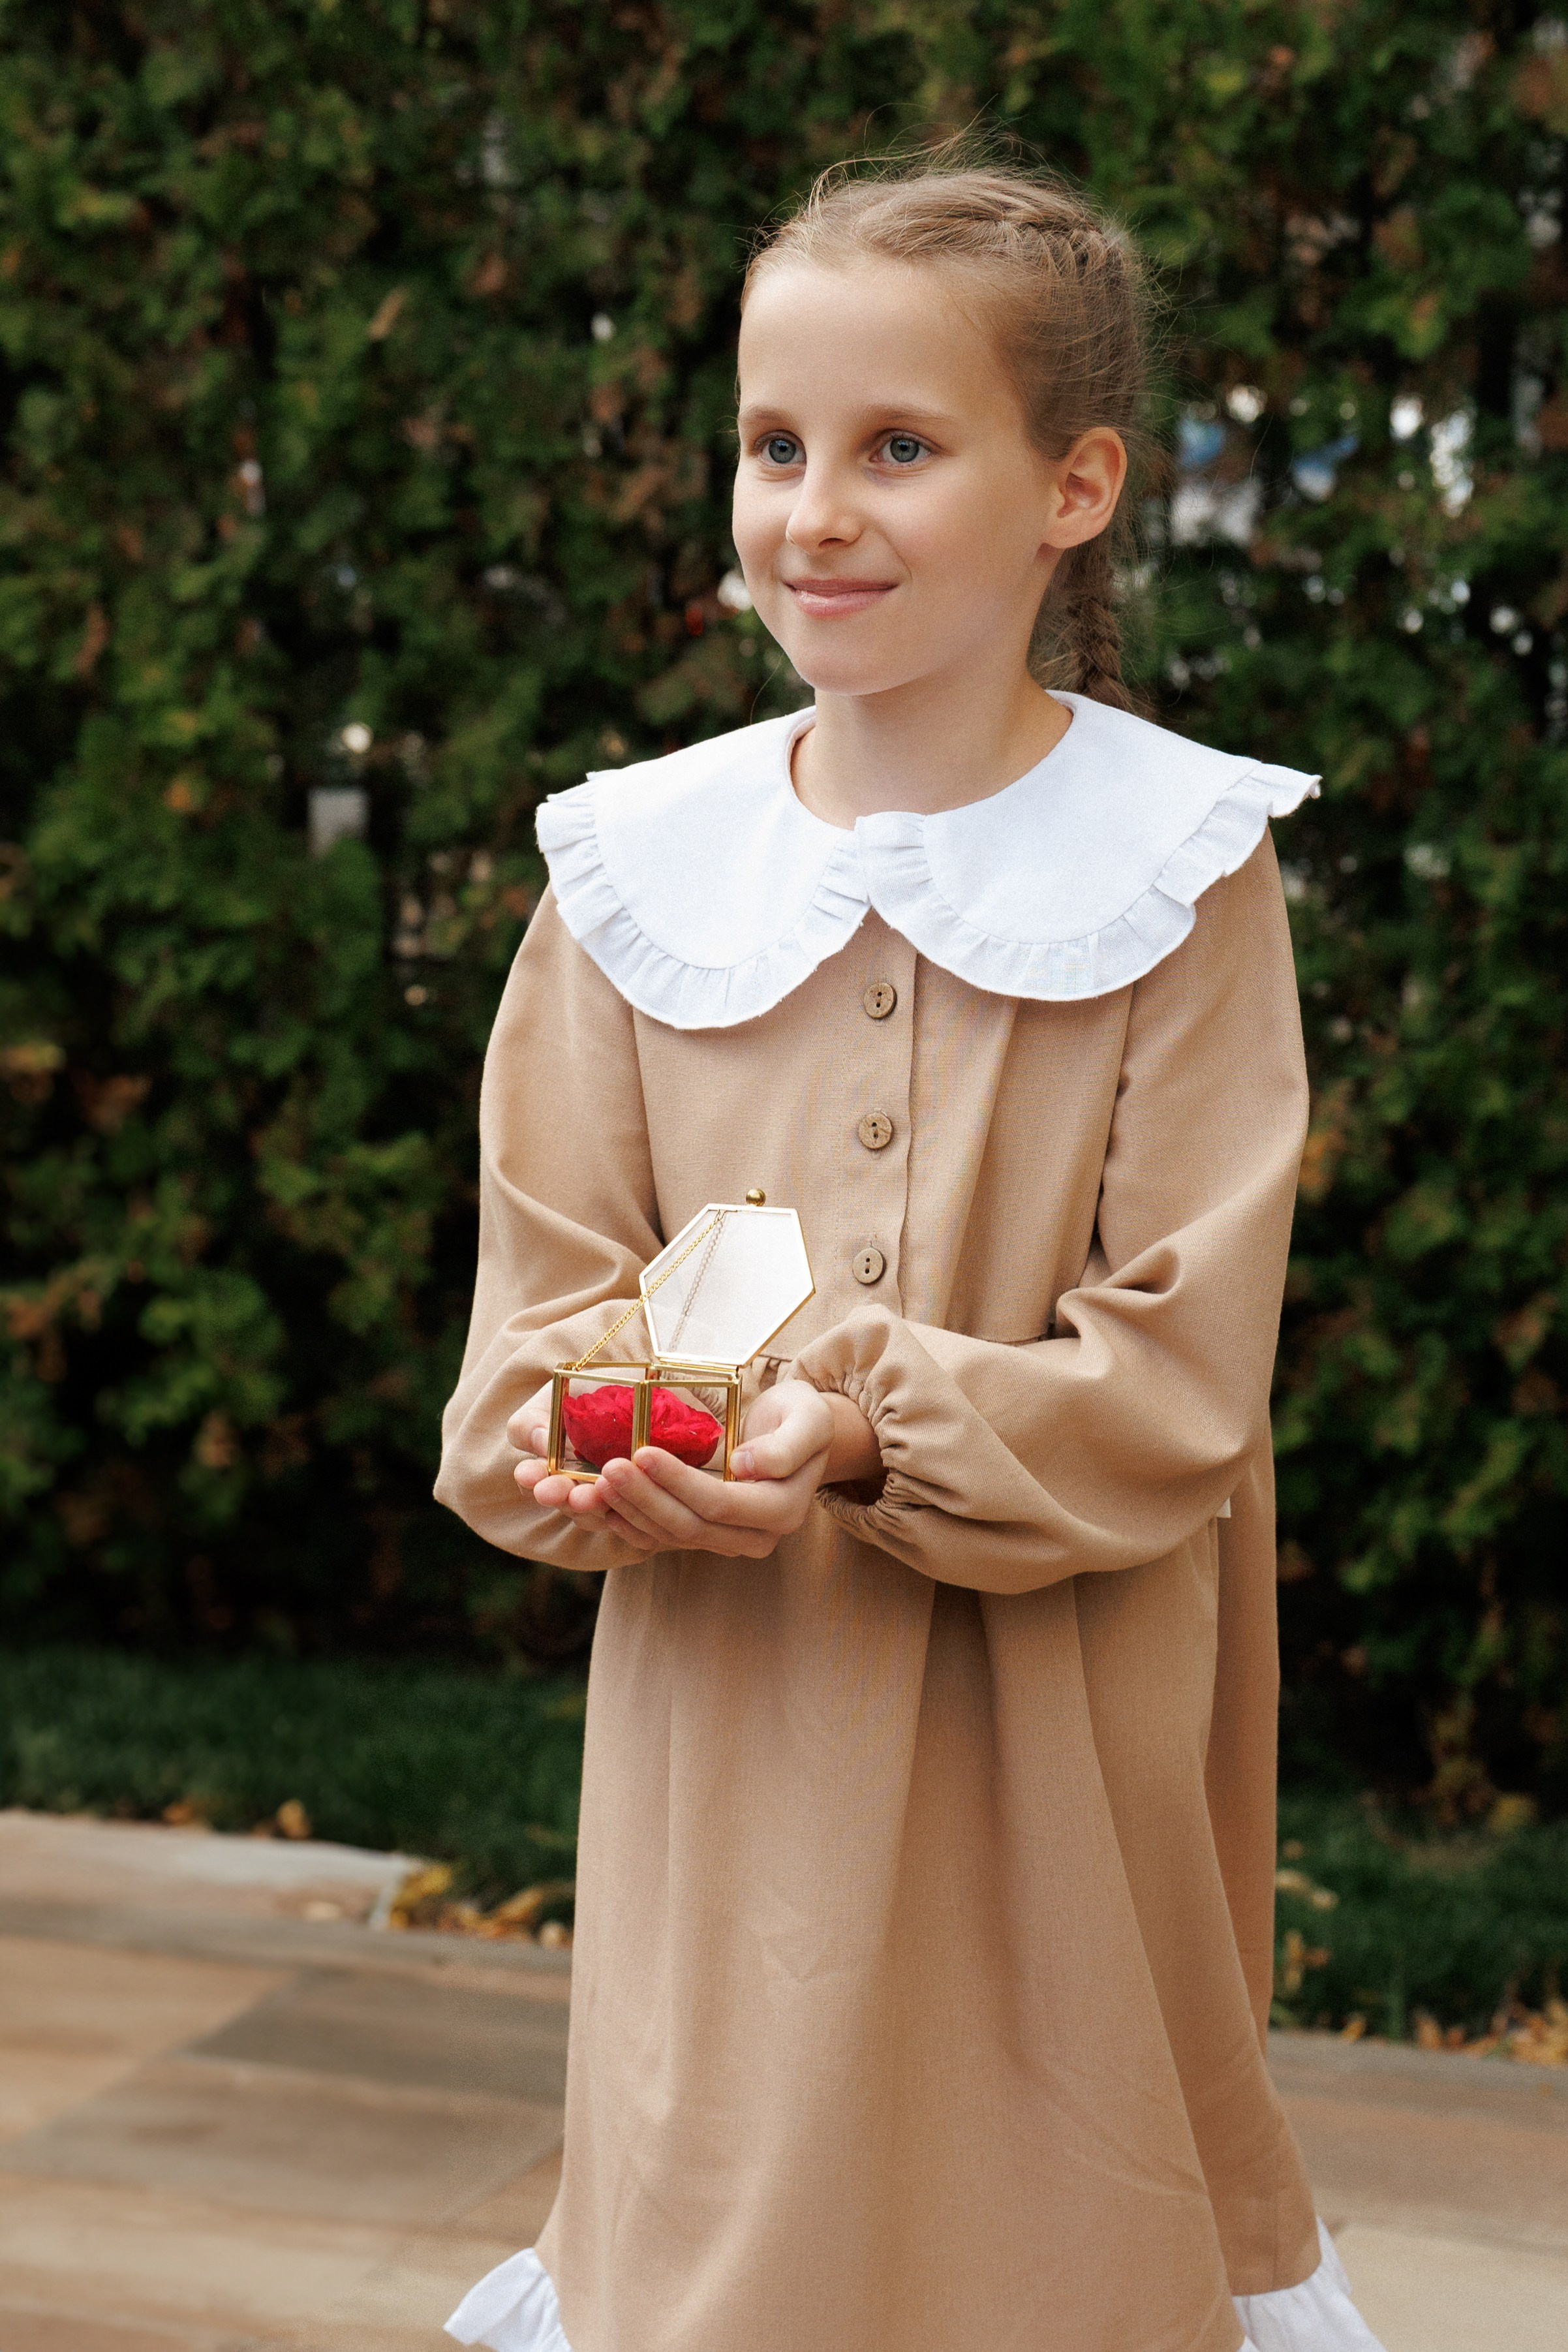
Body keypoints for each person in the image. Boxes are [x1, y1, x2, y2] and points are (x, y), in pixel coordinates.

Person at [438, 155, 1385, 2352]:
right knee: (727, 2224)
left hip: (1067, 1749)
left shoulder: (1179, 873)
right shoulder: (629, 876)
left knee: (1060, 2229)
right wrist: (631, 1442)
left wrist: (854, 1422)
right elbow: (526, 1359)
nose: (813, 511)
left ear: (1073, 486)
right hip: (737, 1720)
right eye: (775, 446)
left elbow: (1175, 1380)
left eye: (895, 447)